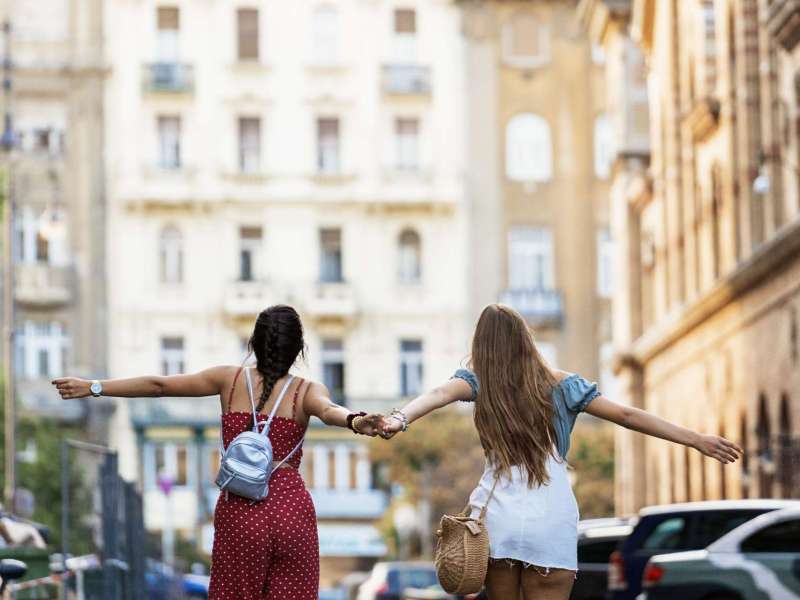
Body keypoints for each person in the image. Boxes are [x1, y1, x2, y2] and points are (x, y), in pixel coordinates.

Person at [380, 304, 742, 600]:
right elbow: (628, 415)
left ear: (482, 346)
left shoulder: (476, 383)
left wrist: (399, 418)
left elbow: (436, 395)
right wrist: (695, 438)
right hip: (550, 519)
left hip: (498, 521)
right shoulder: (564, 385)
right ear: (526, 340)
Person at [52, 305, 384, 600]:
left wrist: (94, 386)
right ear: (299, 349)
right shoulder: (307, 391)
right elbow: (329, 411)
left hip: (241, 511)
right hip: (290, 512)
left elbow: (160, 385)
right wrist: (355, 420)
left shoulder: (229, 380)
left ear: (253, 343)